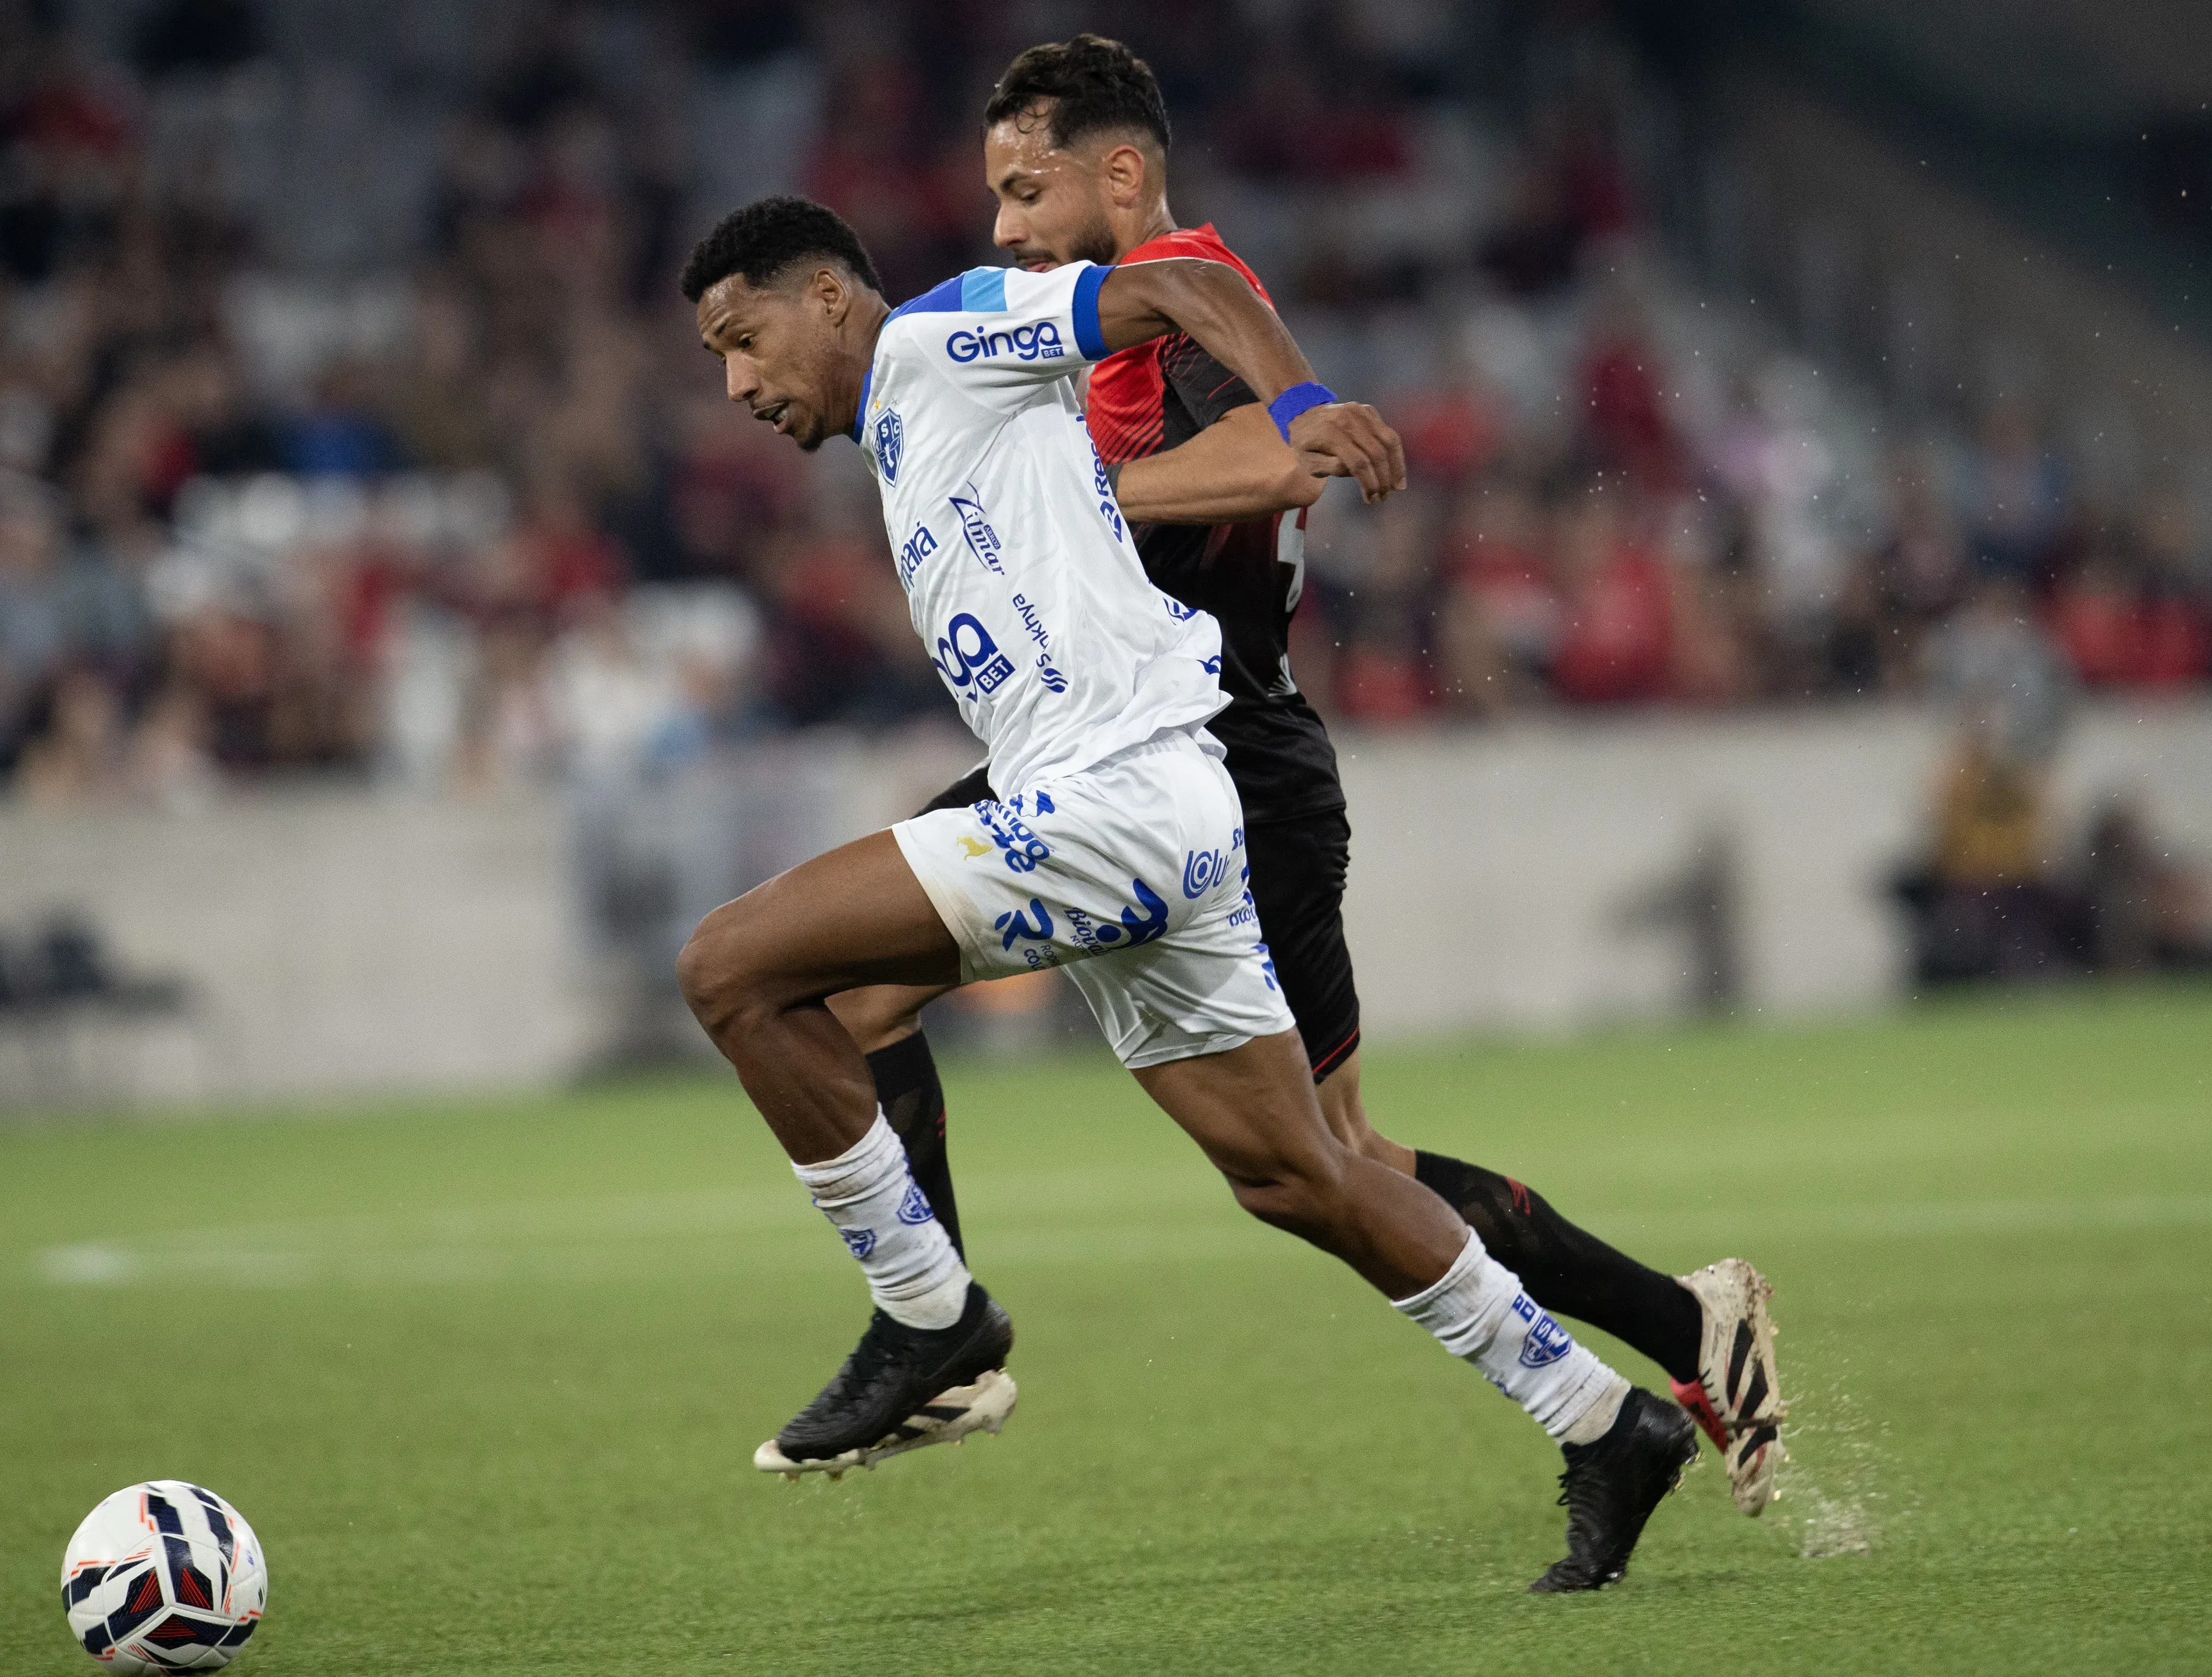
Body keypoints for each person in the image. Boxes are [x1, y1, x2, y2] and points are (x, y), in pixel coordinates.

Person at [826, 35, 1787, 1518]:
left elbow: (1278, 460)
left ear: (1121, 173)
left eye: (1028, 194)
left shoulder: (1192, 292)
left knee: (1330, 1166)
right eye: (997, 201)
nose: (1005, 231)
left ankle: (1669, 1340)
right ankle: (935, 1333)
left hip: (1216, 756)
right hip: (1121, 754)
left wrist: (1062, 500)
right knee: (880, 1000)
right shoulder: (1085, 337)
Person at [679, 191, 1695, 1591]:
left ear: (829, 299)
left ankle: (927, 1318)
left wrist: (1302, 403)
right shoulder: (916, 425)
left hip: (1109, 806)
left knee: (733, 967)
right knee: (1300, 1173)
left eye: (745, 338)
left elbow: (1162, 288)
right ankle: (1602, 1418)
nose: (736, 384)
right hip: (1163, 811)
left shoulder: (930, 339)